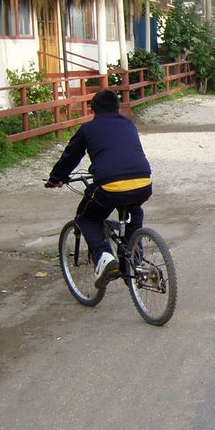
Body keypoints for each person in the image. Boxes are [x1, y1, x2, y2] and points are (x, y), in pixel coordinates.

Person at [45, 88, 152, 286]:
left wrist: (56, 178)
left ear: (93, 110)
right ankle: (133, 264)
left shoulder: (88, 129)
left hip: (110, 185)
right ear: (117, 108)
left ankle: (104, 257)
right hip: (143, 182)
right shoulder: (129, 125)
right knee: (133, 213)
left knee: (87, 218)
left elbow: (70, 156)